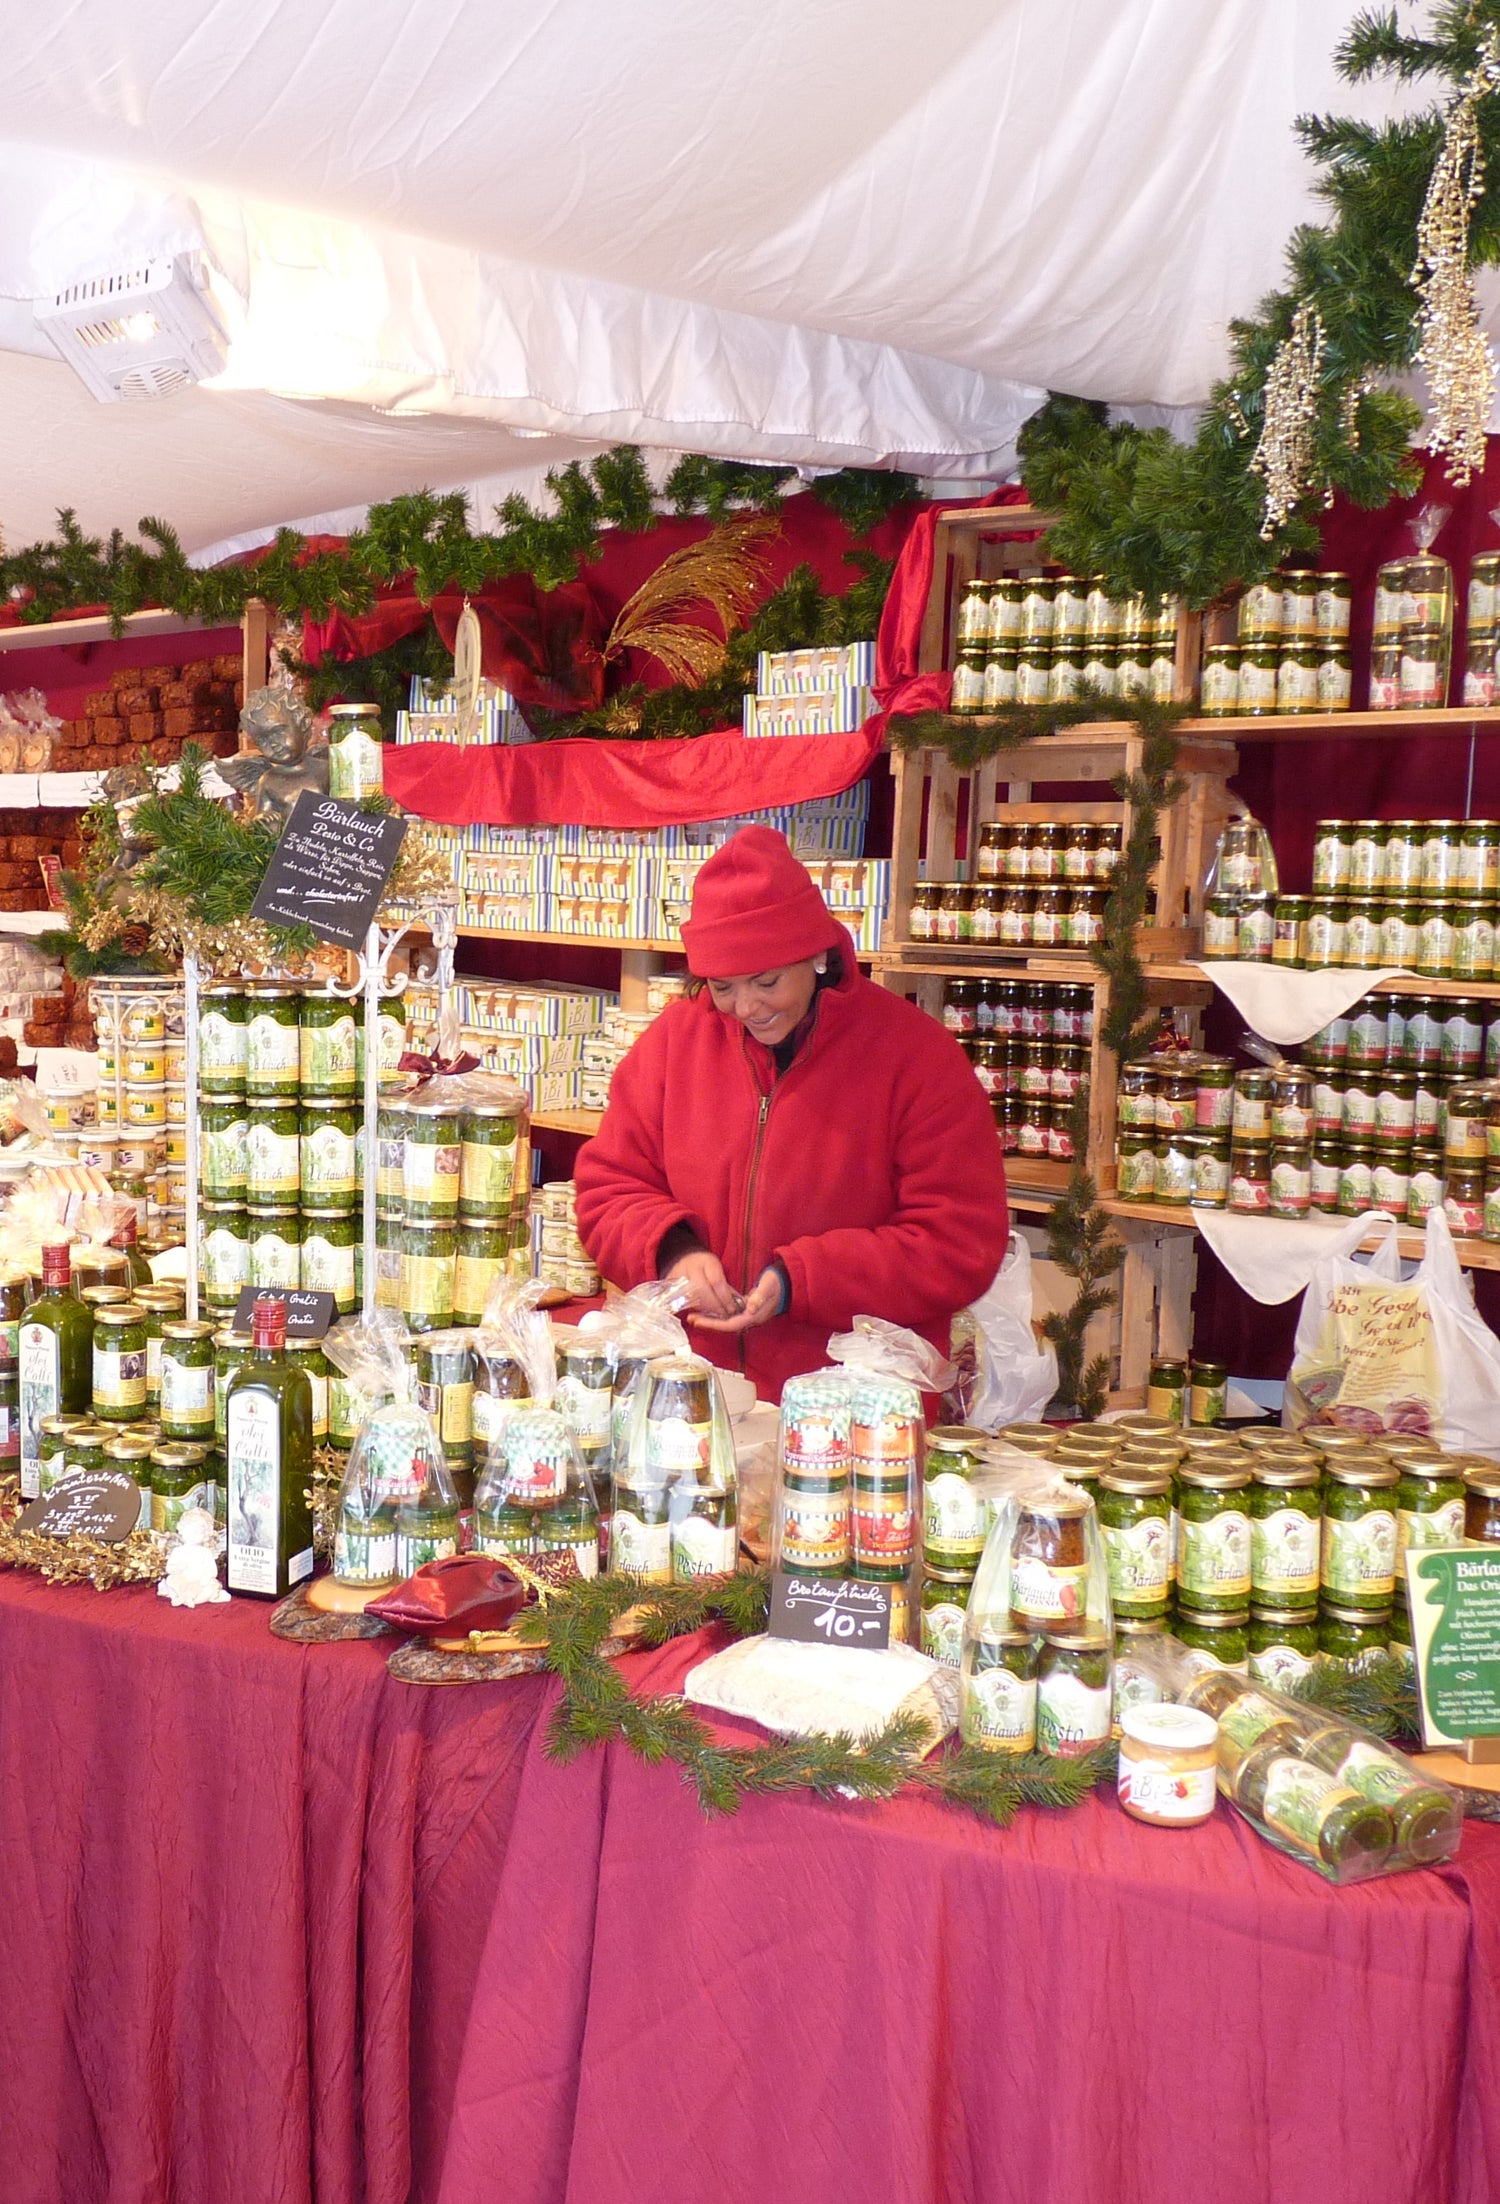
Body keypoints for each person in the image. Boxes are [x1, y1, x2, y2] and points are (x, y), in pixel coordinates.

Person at [574, 825, 1010, 1400]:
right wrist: (673, 1250)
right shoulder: (673, 1044)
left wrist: (801, 1280)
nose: (748, 1008)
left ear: (818, 955)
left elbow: (959, 1242)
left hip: (859, 1402)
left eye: (767, 981)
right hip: (693, 1391)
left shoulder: (916, 1057)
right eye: (723, 986)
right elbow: (607, 1190)